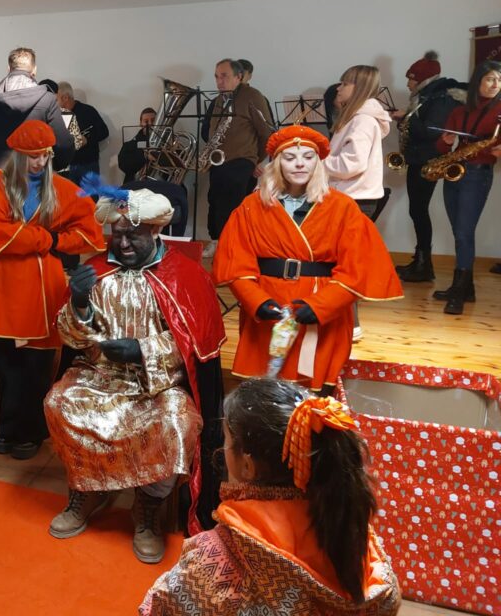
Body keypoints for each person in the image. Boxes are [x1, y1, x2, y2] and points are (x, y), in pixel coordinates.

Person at [44, 185, 225, 563]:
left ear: (156, 231)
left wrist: (141, 350)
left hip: (158, 382)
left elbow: (193, 345)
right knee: (60, 401)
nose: (123, 243)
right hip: (98, 374)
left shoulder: (184, 275)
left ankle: (147, 508)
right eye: (118, 234)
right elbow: (72, 338)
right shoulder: (97, 272)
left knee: (175, 421)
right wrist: (80, 304)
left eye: (134, 235)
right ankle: (87, 489)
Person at [139, 377, 402, 616]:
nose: (223, 447)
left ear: (247, 466)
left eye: (227, 439)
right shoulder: (353, 536)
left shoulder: (214, 559)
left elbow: (160, 608)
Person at [212, 125, 402, 395]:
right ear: (277, 164)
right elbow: (236, 263)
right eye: (290, 158)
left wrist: (322, 305)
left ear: (318, 162)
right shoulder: (251, 207)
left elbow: (358, 269)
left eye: (308, 157)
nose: (300, 164)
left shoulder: (343, 208)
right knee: (264, 393)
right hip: (269, 306)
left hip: (320, 308)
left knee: (314, 394)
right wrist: (256, 301)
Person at [0, 120, 105, 460]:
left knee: (37, 362)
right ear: (17, 155)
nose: (40, 162)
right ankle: (7, 428)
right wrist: (49, 239)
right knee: (6, 360)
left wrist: (58, 241)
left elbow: (90, 231)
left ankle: (31, 430)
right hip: (4, 282)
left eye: (45, 155)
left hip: (44, 285)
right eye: (33, 156)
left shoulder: (60, 187)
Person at [431, 60, 501, 315]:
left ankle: (459, 291)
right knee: (458, 231)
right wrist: (445, 141)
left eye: (499, 80)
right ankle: (466, 287)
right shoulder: (460, 111)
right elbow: (442, 147)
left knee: (463, 233)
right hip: (455, 171)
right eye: (490, 79)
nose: (495, 84)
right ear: (478, 81)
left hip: (478, 174)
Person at [391, 52, 466, 282]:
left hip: (428, 161)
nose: (408, 83)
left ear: (423, 79)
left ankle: (424, 266)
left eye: (412, 79)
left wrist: (407, 116)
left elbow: (431, 131)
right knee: (417, 211)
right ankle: (420, 261)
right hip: (418, 158)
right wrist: (405, 120)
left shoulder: (441, 98)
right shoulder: (428, 96)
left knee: (419, 211)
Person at [202, 58, 274, 258]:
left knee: (231, 206)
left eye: (224, 76)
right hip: (218, 161)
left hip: (241, 160)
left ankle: (231, 249)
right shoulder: (219, 99)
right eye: (216, 77)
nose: (219, 82)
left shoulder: (253, 96)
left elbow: (266, 132)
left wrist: (258, 160)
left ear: (238, 77)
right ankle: (217, 242)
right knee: (215, 202)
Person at [0, 47, 74, 171]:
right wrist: (52, 165)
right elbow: (64, 145)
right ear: (34, 70)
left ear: (9, 69)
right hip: (34, 176)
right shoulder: (47, 100)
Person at [325, 65, 391, 220]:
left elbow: (351, 165)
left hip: (354, 199)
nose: (338, 88)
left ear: (359, 88)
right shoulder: (358, 118)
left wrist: (316, 162)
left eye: (344, 84)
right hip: (351, 197)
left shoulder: (362, 121)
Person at [56, 81, 109, 186]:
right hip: (65, 167)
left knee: (90, 195)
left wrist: (87, 139)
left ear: (65, 98)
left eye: (55, 99)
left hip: (87, 165)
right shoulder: (56, 115)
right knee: (68, 196)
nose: (53, 103)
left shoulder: (88, 111)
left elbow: (104, 132)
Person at [117, 107, 157, 185]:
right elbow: (124, 166)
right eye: (146, 121)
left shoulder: (167, 144)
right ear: (141, 124)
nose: (150, 124)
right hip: (136, 186)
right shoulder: (129, 145)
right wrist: (144, 156)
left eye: (153, 120)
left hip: (161, 185)